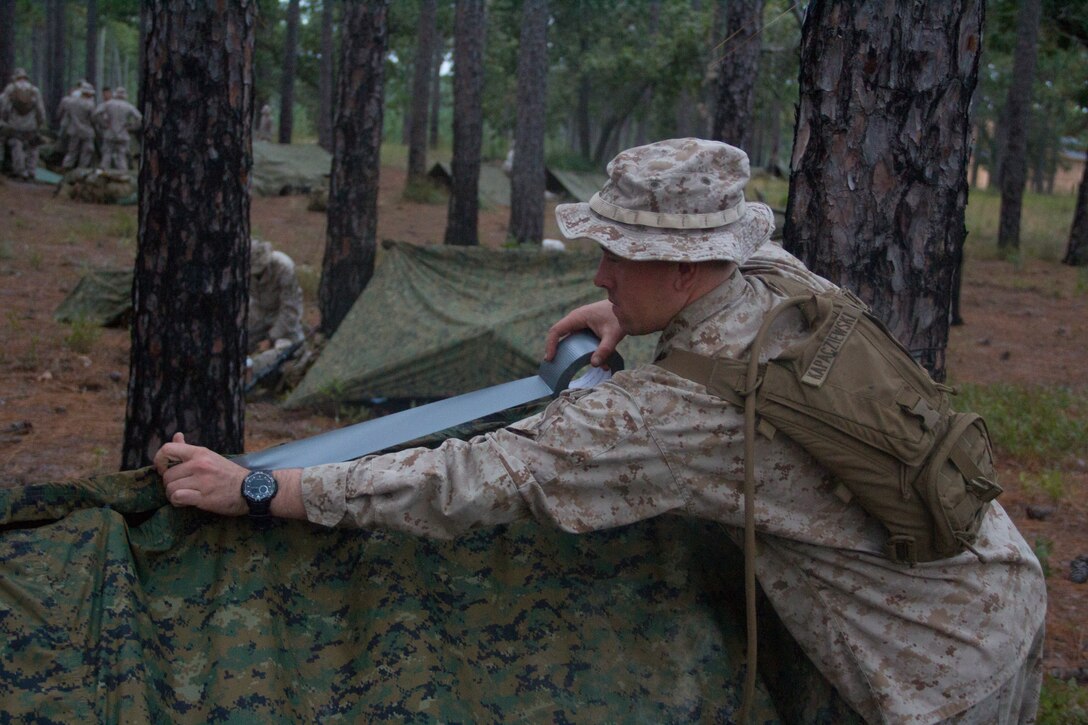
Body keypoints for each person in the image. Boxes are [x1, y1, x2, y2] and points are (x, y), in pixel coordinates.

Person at [154, 138, 1046, 724]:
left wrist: (264, 486)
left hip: (926, 665)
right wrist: (632, 312)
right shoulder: (776, 279)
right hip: (995, 580)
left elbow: (474, 477)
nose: (600, 268)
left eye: (624, 253)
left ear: (693, 268)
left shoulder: (663, 416)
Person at [247, 238, 308, 387]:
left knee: (287, 348)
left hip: (284, 319)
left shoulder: (284, 267)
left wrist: (270, 338)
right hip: (258, 314)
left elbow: (290, 309)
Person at [0, 68, 47, 180]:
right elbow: (40, 110)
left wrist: (5, 121)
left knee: (17, 145)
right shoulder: (34, 90)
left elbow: (5, 109)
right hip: (31, 125)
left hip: (15, 124)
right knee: (33, 147)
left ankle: (20, 171)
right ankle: (31, 170)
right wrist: (40, 123)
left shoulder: (10, 89)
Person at [93, 86, 141, 171]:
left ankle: (103, 174)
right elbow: (139, 118)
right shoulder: (129, 106)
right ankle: (122, 175)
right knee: (121, 156)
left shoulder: (107, 104)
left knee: (106, 154)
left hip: (109, 133)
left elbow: (96, 114)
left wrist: (103, 124)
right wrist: (132, 127)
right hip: (123, 133)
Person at [61, 82, 99, 170]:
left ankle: (66, 166)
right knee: (87, 151)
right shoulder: (90, 104)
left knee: (72, 150)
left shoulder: (71, 102)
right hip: (87, 131)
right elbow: (93, 119)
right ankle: (82, 169)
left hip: (73, 129)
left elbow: (68, 115)